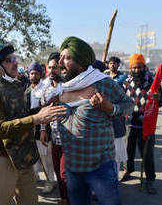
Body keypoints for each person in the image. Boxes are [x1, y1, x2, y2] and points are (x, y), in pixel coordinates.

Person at [0, 43, 66, 205]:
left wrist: (44, 109)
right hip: (3, 160)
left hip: (22, 157)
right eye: (10, 60)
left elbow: (22, 116)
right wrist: (36, 119)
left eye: (15, 58)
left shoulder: (15, 86)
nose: (16, 62)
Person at [56, 36, 133, 205]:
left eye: (67, 58)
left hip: (100, 168)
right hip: (72, 166)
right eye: (61, 57)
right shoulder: (61, 88)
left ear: (81, 61)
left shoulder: (103, 83)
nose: (60, 62)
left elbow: (129, 105)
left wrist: (110, 108)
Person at [120, 53, 162, 195]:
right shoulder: (126, 82)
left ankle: (150, 180)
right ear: (130, 68)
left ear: (144, 67)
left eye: (139, 67)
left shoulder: (153, 81)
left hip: (146, 124)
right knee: (128, 151)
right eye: (134, 67)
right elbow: (120, 100)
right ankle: (128, 171)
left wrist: (157, 98)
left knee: (147, 154)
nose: (137, 70)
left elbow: (161, 102)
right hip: (129, 123)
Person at [40, 52, 70, 205]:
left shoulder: (68, 86)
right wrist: (43, 130)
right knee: (58, 170)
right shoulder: (44, 87)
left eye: (56, 68)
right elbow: (43, 112)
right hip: (54, 136)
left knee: (65, 173)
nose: (53, 71)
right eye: (50, 67)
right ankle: (64, 198)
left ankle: (69, 199)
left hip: (69, 137)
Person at [25, 61, 56, 194]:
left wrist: (44, 128)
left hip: (43, 128)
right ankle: (35, 177)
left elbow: (47, 110)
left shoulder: (46, 89)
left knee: (46, 157)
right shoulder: (27, 90)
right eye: (31, 73)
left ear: (41, 74)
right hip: (30, 127)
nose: (33, 76)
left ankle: (50, 181)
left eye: (36, 73)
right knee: (33, 155)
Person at [106, 56, 128, 179]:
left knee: (118, 150)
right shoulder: (104, 77)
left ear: (118, 65)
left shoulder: (123, 78)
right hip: (104, 115)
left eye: (114, 63)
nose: (112, 65)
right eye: (110, 63)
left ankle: (117, 175)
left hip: (118, 116)